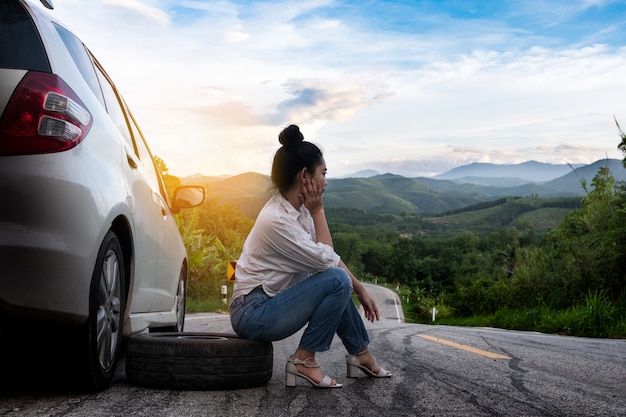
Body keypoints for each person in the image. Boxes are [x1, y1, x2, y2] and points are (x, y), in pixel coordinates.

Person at [230, 124, 391, 388]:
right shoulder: (278, 220)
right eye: (323, 173)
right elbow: (328, 262)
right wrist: (319, 211)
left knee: (337, 280)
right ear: (305, 175)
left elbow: (325, 259)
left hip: (269, 303)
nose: (326, 181)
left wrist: (360, 289)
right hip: (253, 312)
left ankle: (361, 355)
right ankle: (304, 360)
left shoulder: (297, 210)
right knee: (337, 280)